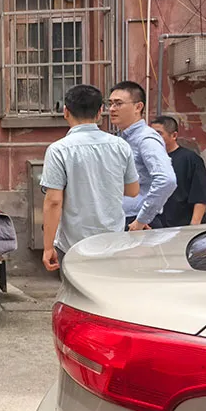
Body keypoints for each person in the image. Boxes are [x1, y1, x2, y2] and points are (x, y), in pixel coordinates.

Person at [40, 84, 140, 272]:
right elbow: (133, 191)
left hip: (74, 245)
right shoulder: (120, 146)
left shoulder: (58, 150)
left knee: (77, 290)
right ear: (100, 111)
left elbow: (53, 201)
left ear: (66, 111)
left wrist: (47, 247)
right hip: (113, 241)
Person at [107, 81, 177, 231]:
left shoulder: (146, 138)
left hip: (137, 222)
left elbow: (167, 180)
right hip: (123, 218)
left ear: (138, 107)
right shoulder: (123, 138)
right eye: (110, 103)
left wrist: (142, 219)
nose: (112, 109)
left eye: (118, 104)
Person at [151, 116, 206, 227]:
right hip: (151, 225)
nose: (154, 138)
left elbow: (200, 196)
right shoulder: (149, 159)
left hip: (179, 226)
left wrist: (193, 226)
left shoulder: (191, 159)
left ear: (174, 135)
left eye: (159, 134)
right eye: (151, 134)